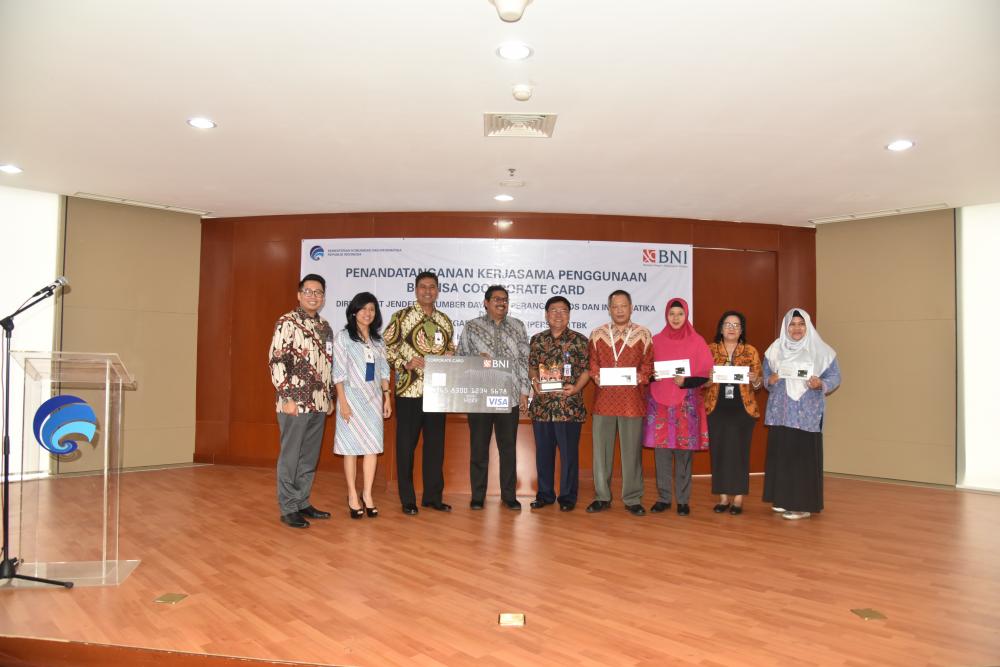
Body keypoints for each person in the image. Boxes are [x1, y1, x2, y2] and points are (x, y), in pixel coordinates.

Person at [383, 271, 456, 515]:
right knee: (406, 446)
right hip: (409, 391)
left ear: (438, 291)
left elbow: (450, 350)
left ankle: (433, 497)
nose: (427, 291)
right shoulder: (401, 317)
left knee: (435, 447)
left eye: (432, 287)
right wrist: (405, 363)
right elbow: (386, 349)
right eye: (423, 286)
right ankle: (408, 499)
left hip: (438, 393)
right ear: (415, 289)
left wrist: (451, 356)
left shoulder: (445, 320)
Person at [268, 273, 334, 529]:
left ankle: (302, 501)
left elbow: (328, 364)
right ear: (299, 295)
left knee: (309, 457)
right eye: (308, 291)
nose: (313, 296)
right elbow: (276, 361)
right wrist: (287, 397)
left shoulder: (325, 327)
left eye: (318, 292)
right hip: (294, 403)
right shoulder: (287, 322)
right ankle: (288, 508)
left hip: (318, 402)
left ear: (323, 297)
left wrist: (329, 396)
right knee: (291, 457)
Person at [762, 308, 841, 520]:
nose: (796, 328)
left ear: (808, 326)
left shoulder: (821, 351)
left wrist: (820, 383)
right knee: (782, 455)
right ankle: (782, 499)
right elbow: (765, 375)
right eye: (792, 324)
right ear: (785, 327)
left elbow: (835, 377)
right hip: (781, 412)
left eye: (801, 324)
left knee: (802, 458)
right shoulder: (775, 349)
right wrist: (770, 380)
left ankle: (802, 505)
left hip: (807, 414)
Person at [456, 285, 530, 511]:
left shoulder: (518, 326)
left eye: (505, 299)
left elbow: (524, 361)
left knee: (508, 449)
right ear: (486, 303)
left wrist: (524, 391)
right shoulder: (472, 327)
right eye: (496, 299)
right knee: (478, 448)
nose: (501, 302)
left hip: (509, 397)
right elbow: (460, 358)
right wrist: (475, 358)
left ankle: (509, 496)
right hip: (480, 396)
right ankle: (478, 496)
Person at [586, 290, 654, 516]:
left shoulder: (644, 334)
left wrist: (639, 378)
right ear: (609, 309)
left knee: (631, 453)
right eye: (615, 306)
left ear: (631, 307)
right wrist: (596, 376)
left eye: (623, 306)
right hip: (604, 401)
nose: (619, 310)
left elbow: (648, 366)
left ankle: (632, 498)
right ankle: (602, 496)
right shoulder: (597, 334)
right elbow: (592, 364)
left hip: (632, 401)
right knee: (601, 453)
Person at [643, 297, 713, 516]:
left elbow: (706, 375)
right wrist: (652, 376)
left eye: (680, 314)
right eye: (672, 314)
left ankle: (683, 500)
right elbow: (645, 371)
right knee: (662, 453)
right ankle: (663, 498)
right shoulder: (655, 341)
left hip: (686, 404)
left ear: (686, 315)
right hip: (659, 403)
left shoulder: (697, 341)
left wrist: (686, 381)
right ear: (666, 316)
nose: (675, 318)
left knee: (684, 454)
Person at [528, 296, 590, 512]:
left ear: (569, 314)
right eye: (554, 310)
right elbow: (532, 367)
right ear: (546, 314)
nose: (558, 314)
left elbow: (587, 370)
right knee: (543, 454)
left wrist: (577, 388)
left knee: (569, 455)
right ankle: (545, 495)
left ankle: (567, 497)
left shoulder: (580, 341)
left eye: (563, 310)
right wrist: (534, 381)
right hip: (543, 407)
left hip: (568, 407)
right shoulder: (537, 340)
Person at [333, 292, 391, 519]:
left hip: (373, 399)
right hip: (351, 398)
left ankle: (367, 494)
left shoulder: (378, 340)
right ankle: (352, 495)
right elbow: (338, 373)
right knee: (350, 449)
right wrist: (343, 403)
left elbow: (384, 371)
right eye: (363, 308)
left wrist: (387, 397)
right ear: (354, 311)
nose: (368, 313)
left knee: (371, 448)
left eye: (372, 309)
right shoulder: (343, 337)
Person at [704, 310, 763, 516]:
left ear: (741, 330)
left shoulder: (750, 351)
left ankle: (738, 498)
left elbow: (758, 384)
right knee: (719, 452)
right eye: (728, 325)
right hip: (716, 408)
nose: (731, 328)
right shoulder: (709, 350)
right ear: (721, 329)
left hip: (742, 409)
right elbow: (703, 382)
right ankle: (723, 498)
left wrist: (755, 379)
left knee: (740, 453)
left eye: (736, 325)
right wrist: (709, 378)